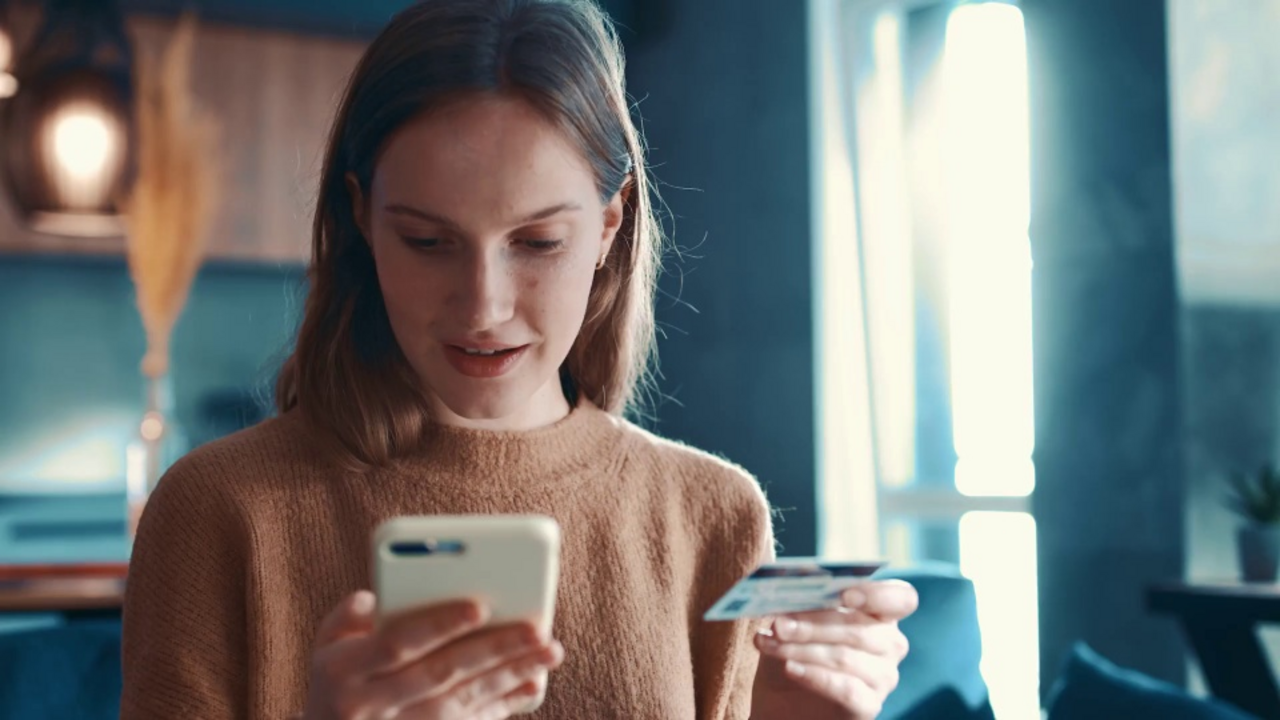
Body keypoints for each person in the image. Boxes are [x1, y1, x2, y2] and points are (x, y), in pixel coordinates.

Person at [119, 1, 918, 718]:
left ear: (611, 224)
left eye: (537, 243)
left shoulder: (714, 517)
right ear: (361, 217)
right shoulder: (219, 512)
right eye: (427, 242)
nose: (483, 306)